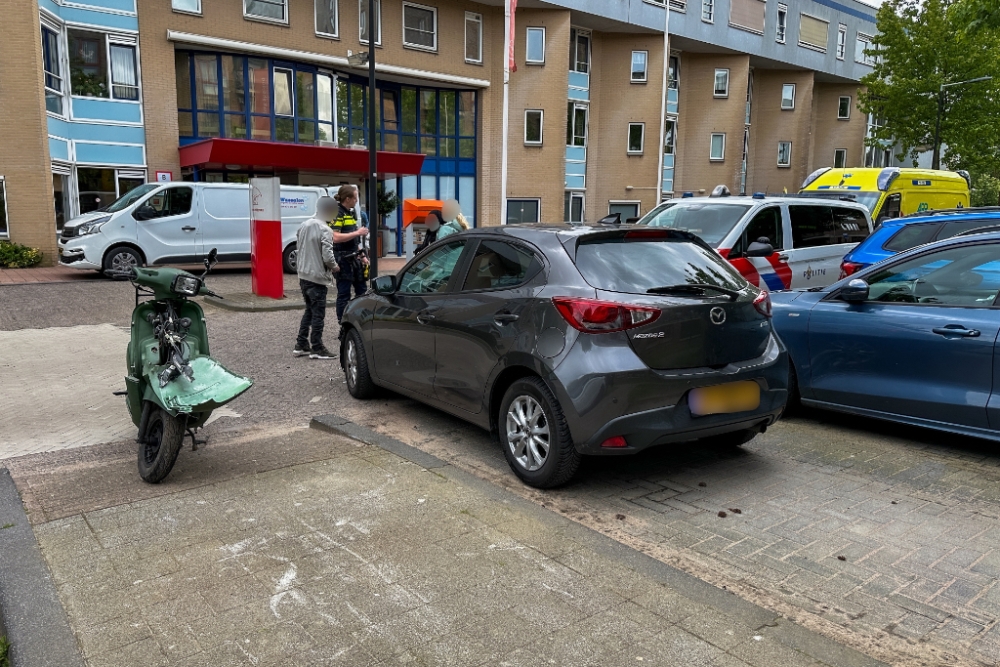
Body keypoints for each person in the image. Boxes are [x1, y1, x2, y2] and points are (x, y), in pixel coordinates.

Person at [294, 196, 340, 360]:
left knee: (309, 310)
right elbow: (327, 255)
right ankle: (317, 347)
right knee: (318, 313)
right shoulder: (325, 229)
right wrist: (335, 266)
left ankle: (301, 344)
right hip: (317, 276)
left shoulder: (304, 225)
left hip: (303, 274)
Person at [331, 184, 370, 322]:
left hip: (354, 257)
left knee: (362, 290)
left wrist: (362, 255)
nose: (357, 200)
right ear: (347, 199)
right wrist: (358, 232)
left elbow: (355, 239)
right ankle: (343, 324)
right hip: (342, 258)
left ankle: (360, 320)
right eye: (355, 197)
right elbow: (335, 237)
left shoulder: (351, 212)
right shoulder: (337, 213)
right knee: (344, 293)